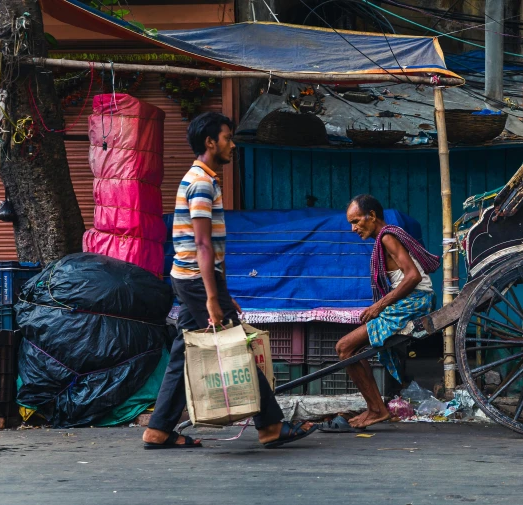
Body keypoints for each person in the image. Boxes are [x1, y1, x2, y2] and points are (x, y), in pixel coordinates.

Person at [142, 112, 316, 449]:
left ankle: (159, 429)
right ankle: (270, 426)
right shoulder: (201, 183)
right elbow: (202, 244)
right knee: (238, 344)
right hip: (196, 280)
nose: (232, 144)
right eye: (227, 138)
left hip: (192, 279)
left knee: (184, 351)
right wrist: (212, 297)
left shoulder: (201, 179)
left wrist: (223, 293)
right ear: (210, 142)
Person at [335, 195, 440, 429]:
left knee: (344, 347)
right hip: (412, 300)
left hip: (415, 301)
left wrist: (379, 305)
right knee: (348, 349)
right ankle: (376, 408)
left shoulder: (388, 237)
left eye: (356, 221)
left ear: (371, 216)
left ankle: (376, 409)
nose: (353, 228)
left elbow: (412, 276)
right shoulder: (385, 237)